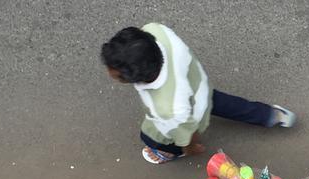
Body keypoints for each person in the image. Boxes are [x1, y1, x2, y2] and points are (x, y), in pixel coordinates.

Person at [101, 24, 297, 164]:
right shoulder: (156, 30)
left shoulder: (166, 108)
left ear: (141, 78)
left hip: (190, 113)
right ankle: (271, 115)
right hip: (200, 88)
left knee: (149, 137)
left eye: (118, 76)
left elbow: (187, 132)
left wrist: (190, 148)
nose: (111, 75)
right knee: (232, 106)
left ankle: (170, 152)